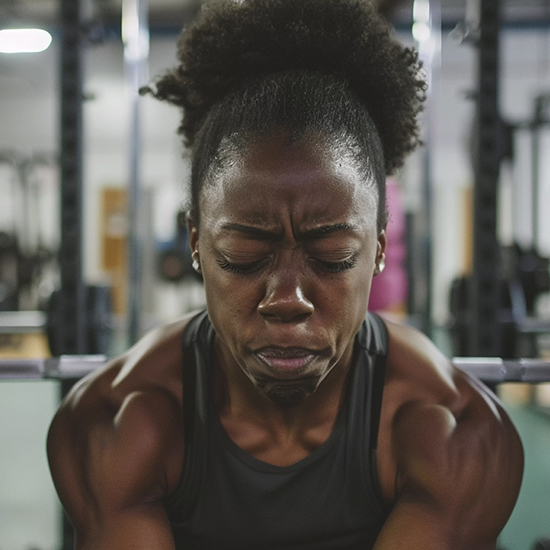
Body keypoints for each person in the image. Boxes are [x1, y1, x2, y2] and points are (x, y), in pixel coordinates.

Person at [47, 1, 523, 548]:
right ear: (197, 243)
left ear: (380, 249)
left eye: (334, 255)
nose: (288, 300)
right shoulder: (115, 426)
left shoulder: (454, 434)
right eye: (244, 255)